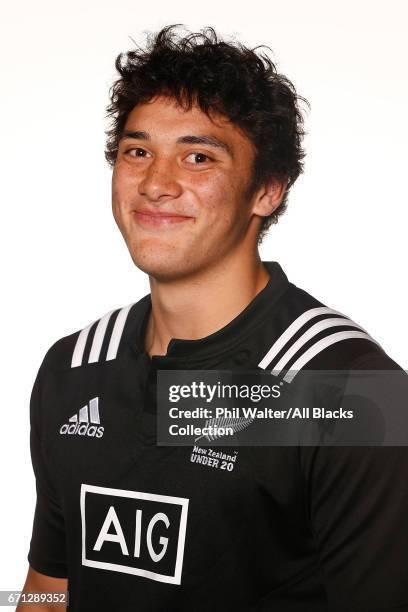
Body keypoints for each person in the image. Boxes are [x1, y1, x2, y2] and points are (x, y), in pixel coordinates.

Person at [18, 25, 408, 612]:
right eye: (137, 151)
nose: (155, 183)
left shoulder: (348, 390)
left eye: (198, 157)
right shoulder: (73, 368)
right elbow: (51, 590)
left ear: (267, 190)